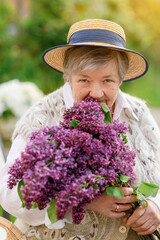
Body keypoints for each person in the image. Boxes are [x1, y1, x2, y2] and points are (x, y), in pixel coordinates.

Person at [0, 19, 160, 240]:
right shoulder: (41, 117)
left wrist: (155, 206)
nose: (96, 92)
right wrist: (83, 198)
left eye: (108, 80)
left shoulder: (139, 114)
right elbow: (9, 194)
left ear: (121, 79)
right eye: (84, 80)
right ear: (69, 76)